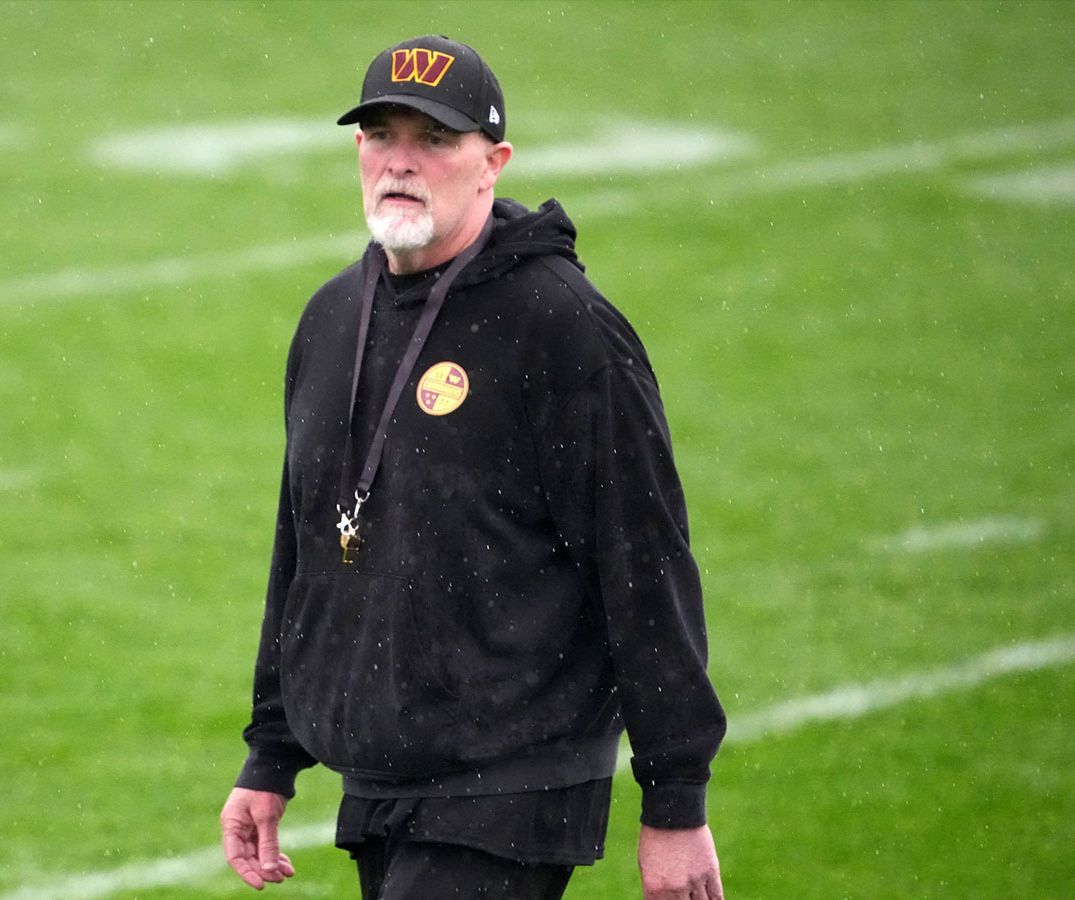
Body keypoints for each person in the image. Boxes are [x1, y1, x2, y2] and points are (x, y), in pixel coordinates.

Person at [220, 34, 727, 900]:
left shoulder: (561, 327)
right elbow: (303, 546)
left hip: (510, 783)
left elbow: (643, 563)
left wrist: (674, 801)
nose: (401, 163)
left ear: (493, 163)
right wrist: (272, 751)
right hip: (384, 780)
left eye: (436, 140)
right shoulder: (334, 316)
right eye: (382, 135)